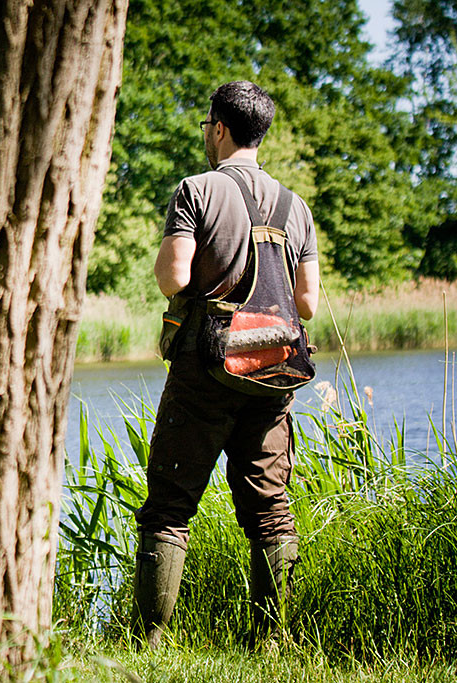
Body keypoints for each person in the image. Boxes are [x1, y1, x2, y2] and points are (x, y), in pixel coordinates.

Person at [132, 81, 320, 648]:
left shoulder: (197, 189)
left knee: (169, 507)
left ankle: (153, 641)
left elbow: (174, 279)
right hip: (275, 374)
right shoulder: (296, 206)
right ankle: (270, 640)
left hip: (204, 367)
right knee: (271, 509)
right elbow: (307, 303)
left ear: (218, 128)